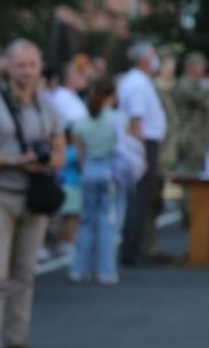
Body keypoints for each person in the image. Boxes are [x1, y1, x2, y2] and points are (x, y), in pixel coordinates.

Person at [0, 39, 64, 348]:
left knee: (25, 272)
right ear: (7, 67)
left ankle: (17, 340)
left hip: (34, 198)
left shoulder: (48, 107)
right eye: (20, 65)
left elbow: (60, 151)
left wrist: (47, 163)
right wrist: (14, 161)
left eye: (32, 65)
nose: (27, 72)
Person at [116, 42, 168, 266]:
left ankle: (133, 248)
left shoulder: (137, 81)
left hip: (144, 144)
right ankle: (130, 252)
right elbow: (137, 120)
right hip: (143, 145)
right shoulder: (137, 84)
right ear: (144, 59)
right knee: (138, 200)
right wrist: (141, 154)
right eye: (153, 55)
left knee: (141, 200)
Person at [69, 77, 122, 285]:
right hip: (109, 169)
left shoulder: (81, 121)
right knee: (108, 221)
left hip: (89, 168)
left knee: (87, 220)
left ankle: (79, 268)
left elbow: (81, 152)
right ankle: (106, 270)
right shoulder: (116, 119)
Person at [174, 52, 209, 173]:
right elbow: (198, 98)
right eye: (201, 65)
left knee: (199, 172)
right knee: (191, 175)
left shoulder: (199, 84)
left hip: (199, 137)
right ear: (191, 67)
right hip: (189, 137)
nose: (203, 68)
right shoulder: (184, 84)